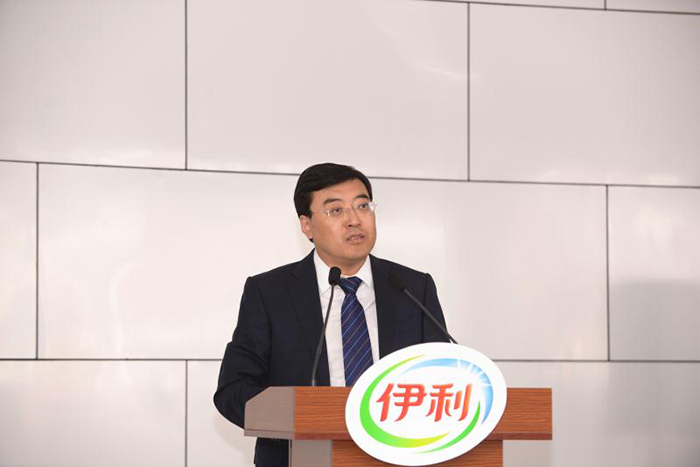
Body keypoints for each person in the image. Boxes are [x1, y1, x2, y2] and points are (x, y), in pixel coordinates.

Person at [214, 163, 450, 467]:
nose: (354, 220)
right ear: (307, 225)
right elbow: (233, 390)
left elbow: (445, 381)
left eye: (363, 206)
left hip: (400, 457)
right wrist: (296, 421)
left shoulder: (412, 287)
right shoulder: (270, 292)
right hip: (301, 458)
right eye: (336, 210)